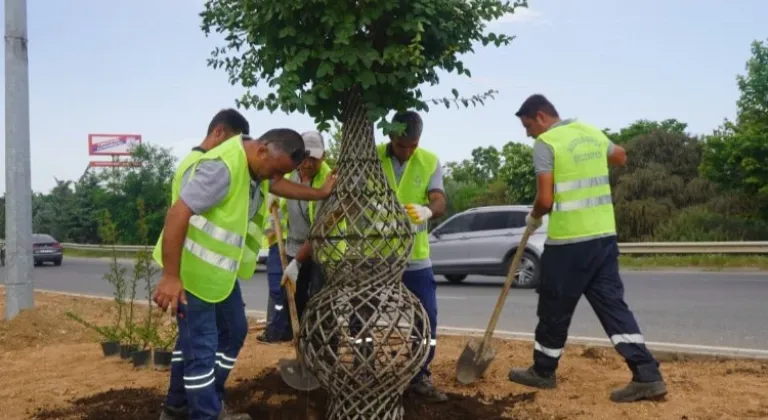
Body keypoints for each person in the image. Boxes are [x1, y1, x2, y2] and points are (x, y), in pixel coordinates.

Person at [153, 127, 337, 420]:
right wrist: (171, 277)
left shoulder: (257, 167)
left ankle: (179, 407)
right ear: (263, 150)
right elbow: (178, 213)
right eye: (274, 171)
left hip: (219, 277)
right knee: (202, 348)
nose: (272, 179)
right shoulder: (223, 168)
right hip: (192, 274)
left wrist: (320, 193)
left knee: (233, 331)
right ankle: (206, 413)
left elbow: (279, 184)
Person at [507, 94, 668, 403]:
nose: (528, 133)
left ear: (540, 116)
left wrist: (533, 217)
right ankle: (647, 374)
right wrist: (590, 159)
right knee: (612, 306)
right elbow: (620, 156)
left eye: (528, 126)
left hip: (569, 242)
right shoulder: (589, 131)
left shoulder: (546, 143)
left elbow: (545, 200)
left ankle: (543, 371)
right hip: (604, 238)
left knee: (554, 304)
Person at [376, 110, 448, 403]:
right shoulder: (371, 157)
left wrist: (429, 210)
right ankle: (366, 368)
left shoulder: (429, 160)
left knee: (427, 319)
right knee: (364, 317)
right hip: (376, 255)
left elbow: (440, 199)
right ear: (391, 136)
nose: (407, 151)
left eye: (413, 145)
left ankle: (420, 375)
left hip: (415, 257)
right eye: (402, 145)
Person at [257, 131, 333, 343]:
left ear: (324, 156)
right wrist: (272, 196)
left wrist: (297, 262)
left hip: (322, 252)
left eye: (314, 159)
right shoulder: (289, 175)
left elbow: (319, 231)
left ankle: (322, 351)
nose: (308, 164)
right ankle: (302, 348)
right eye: (305, 157)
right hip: (293, 248)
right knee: (296, 300)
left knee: (320, 304)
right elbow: (281, 212)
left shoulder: (329, 181)